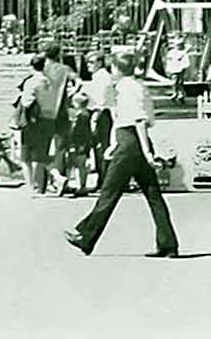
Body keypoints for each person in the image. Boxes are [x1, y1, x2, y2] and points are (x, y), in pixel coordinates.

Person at [65, 49, 179, 257]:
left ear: (116, 68)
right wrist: (115, 145)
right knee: (153, 194)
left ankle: (87, 236)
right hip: (129, 141)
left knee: (109, 192)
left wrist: (146, 152)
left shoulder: (128, 89)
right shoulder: (133, 86)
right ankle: (168, 243)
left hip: (130, 144)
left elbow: (138, 120)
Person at [20, 54, 68, 197]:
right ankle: (54, 178)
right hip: (49, 119)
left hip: (33, 121)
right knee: (41, 155)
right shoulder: (50, 82)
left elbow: (26, 102)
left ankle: (30, 186)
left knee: (26, 157)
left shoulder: (31, 82)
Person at [42, 43, 76, 194]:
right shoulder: (65, 69)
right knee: (61, 147)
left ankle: (45, 182)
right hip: (61, 110)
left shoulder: (41, 68)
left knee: (41, 146)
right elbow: (79, 82)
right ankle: (61, 177)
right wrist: (71, 94)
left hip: (44, 110)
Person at [84, 51, 115, 187]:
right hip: (97, 113)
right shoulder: (97, 77)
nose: (88, 65)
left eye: (92, 62)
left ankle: (105, 180)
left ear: (100, 62)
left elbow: (101, 101)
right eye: (87, 62)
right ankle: (102, 179)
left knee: (101, 147)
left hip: (100, 114)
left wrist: (94, 119)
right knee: (98, 149)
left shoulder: (102, 77)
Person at [68, 91, 93, 197]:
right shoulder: (87, 114)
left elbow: (76, 132)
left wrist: (71, 143)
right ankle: (82, 184)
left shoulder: (80, 117)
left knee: (79, 165)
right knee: (82, 165)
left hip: (79, 144)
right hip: (85, 143)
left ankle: (81, 185)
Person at [164, 33, 190, 103]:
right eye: (177, 45)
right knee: (174, 82)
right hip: (173, 69)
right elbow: (169, 61)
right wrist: (168, 68)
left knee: (180, 82)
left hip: (180, 69)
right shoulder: (171, 53)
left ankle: (181, 93)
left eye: (179, 45)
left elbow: (185, 61)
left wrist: (184, 67)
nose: (178, 47)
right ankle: (175, 92)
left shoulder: (183, 53)